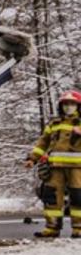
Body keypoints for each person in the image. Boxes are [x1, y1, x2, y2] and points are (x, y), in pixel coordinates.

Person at [28, 89, 81, 238]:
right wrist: (32, 158)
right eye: (65, 104)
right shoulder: (54, 123)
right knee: (51, 197)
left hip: (77, 168)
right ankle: (52, 228)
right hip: (55, 167)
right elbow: (43, 142)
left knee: (78, 198)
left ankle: (79, 229)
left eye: (72, 104)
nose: (68, 107)